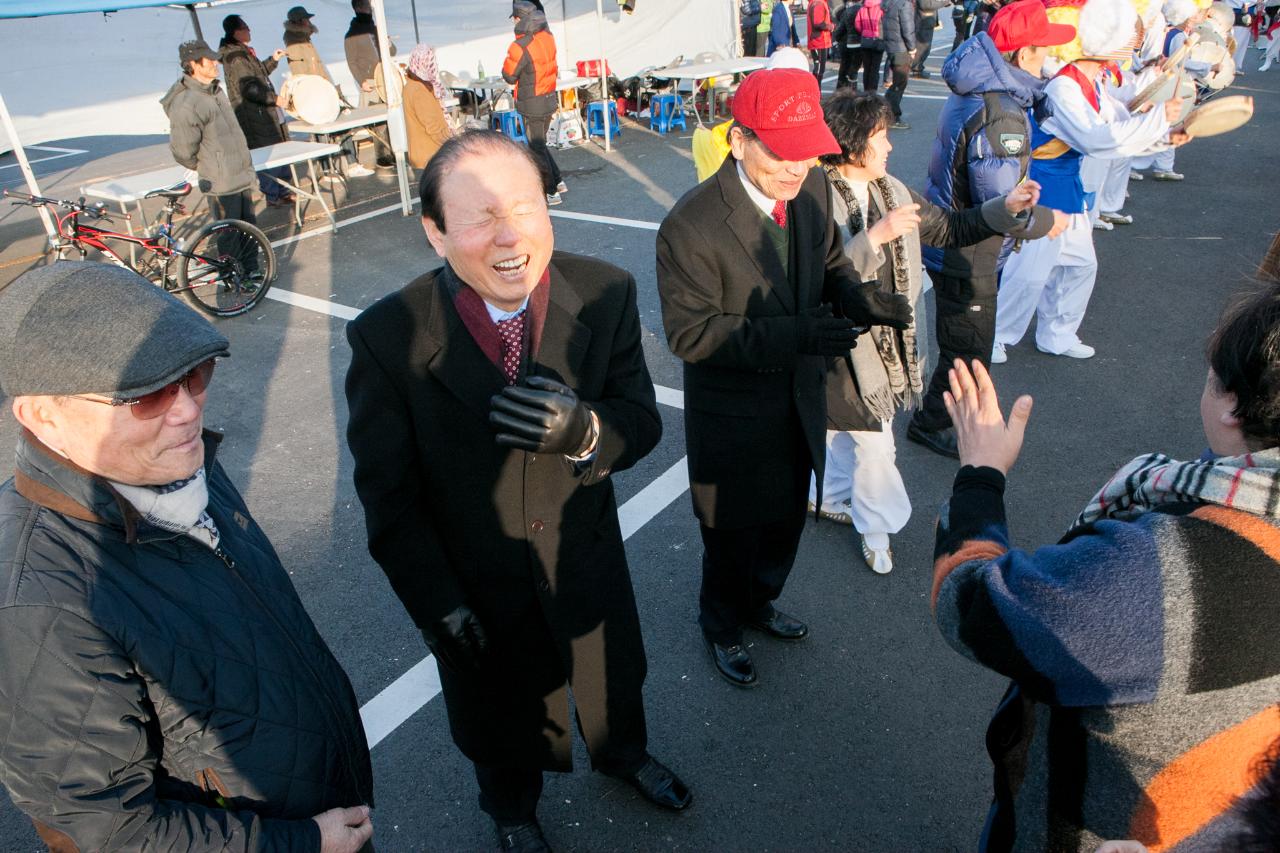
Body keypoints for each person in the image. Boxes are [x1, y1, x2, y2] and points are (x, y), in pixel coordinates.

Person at [345, 131, 691, 853]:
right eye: (480, 218)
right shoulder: (387, 337)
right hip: (479, 586)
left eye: (528, 208)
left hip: (584, 561)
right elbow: (391, 502)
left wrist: (587, 429)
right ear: (435, 233)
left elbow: (640, 420)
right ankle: (510, 810)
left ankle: (625, 754)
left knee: (611, 676)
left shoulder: (603, 291)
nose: (511, 238)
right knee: (497, 718)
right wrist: (437, 604)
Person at [0, 261, 375, 853]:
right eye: (147, 395)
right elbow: (103, 831)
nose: (186, 410)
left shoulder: (174, 464)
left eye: (193, 376)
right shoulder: (40, 601)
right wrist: (301, 842)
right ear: (43, 415)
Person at [932, 284, 1280, 850]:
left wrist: (979, 475)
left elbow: (974, 606)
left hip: (1105, 823)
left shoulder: (1161, 570)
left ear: (1232, 404)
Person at [656, 67, 912, 688]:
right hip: (735, 415)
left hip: (798, 400)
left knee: (785, 522)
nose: (795, 168)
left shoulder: (810, 192)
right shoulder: (689, 226)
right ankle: (720, 624)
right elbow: (692, 335)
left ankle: (759, 602)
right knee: (732, 532)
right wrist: (798, 334)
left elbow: (827, 260)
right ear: (739, 140)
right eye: (779, 151)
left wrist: (856, 296)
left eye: (807, 151)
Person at [814, 90, 1046, 571]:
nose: (890, 146)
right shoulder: (813, 196)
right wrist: (874, 237)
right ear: (854, 141)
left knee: (844, 430)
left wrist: (1008, 206)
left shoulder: (892, 190)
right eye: (880, 135)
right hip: (839, 345)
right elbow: (815, 277)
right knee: (876, 440)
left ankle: (833, 496)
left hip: (887, 343)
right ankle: (877, 529)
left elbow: (948, 229)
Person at [909, 0, 1073, 458]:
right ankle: (932, 422)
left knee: (964, 342)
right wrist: (1046, 222)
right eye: (1043, 53)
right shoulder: (1000, 111)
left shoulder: (981, 87)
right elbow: (997, 205)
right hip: (970, 249)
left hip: (957, 239)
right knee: (968, 347)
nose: (1049, 62)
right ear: (1022, 56)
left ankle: (941, 416)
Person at [992, 0, 1184, 362]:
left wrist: (1168, 135)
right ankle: (997, 334)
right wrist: (1159, 120)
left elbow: (1116, 125)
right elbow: (1098, 139)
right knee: (1029, 272)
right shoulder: (1065, 87)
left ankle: (1057, 334)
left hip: (1067, 186)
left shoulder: (1091, 83)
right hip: (1042, 186)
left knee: (1080, 265)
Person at [162, 40, 263, 278]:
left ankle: (252, 269)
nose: (216, 63)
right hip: (219, 179)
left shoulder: (216, 91)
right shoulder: (186, 103)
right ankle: (232, 276)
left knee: (248, 227)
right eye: (209, 60)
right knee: (228, 232)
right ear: (193, 65)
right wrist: (209, 165)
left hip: (239, 172)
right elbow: (183, 150)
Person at [218, 15, 294, 208]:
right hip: (255, 116)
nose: (249, 30)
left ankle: (281, 191)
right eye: (246, 27)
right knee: (268, 154)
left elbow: (257, 76)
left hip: (262, 113)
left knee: (278, 150)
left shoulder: (242, 53)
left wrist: (273, 60)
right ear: (237, 32)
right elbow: (249, 88)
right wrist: (274, 99)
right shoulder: (236, 57)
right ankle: (274, 194)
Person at [503, 1, 568, 206]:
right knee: (539, 145)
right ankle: (557, 181)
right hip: (548, 98)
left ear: (519, 18)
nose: (513, 21)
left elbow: (509, 76)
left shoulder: (520, 45)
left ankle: (550, 191)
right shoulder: (548, 37)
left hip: (532, 103)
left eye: (514, 17)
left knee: (536, 147)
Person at [343, 0, 397, 170]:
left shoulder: (376, 28)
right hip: (371, 80)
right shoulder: (352, 34)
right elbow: (352, 62)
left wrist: (388, 43)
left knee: (392, 115)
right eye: (367, 7)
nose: (370, 10)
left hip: (385, 77)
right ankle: (383, 156)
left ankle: (395, 151)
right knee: (378, 120)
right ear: (358, 8)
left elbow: (391, 52)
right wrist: (361, 81)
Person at [403, 44, 453, 171]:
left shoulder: (413, 85)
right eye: (432, 62)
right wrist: (453, 144)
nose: (434, 66)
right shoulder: (419, 91)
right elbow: (434, 127)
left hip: (427, 154)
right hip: (430, 155)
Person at [882, 0, 916, 127]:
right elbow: (908, 28)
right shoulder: (904, 5)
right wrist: (912, 48)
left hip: (892, 46)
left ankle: (886, 110)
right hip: (901, 48)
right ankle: (893, 116)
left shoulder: (888, 3)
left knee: (896, 83)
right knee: (900, 83)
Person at [851, 0, 890, 90]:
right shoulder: (881, 8)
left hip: (865, 40)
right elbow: (885, 24)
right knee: (875, 69)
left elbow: (857, 24)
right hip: (877, 40)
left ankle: (866, 90)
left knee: (867, 68)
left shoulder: (862, 8)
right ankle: (872, 91)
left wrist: (864, 32)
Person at [911, 0, 953, 76]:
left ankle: (918, 68)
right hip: (923, 23)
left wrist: (943, 3)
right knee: (921, 48)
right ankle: (916, 69)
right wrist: (944, 3)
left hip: (927, 23)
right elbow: (926, 5)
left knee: (925, 48)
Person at [833, 0, 864, 89]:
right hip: (860, 42)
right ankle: (852, 88)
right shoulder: (863, 9)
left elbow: (839, 29)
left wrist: (837, 40)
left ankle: (840, 88)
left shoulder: (845, 10)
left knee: (844, 66)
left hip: (845, 42)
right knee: (854, 68)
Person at [809, 0, 836, 80]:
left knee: (819, 68)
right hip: (819, 41)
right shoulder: (819, 3)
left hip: (818, 40)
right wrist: (831, 26)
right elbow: (818, 23)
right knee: (820, 69)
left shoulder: (815, 2)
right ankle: (817, 90)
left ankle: (817, 89)